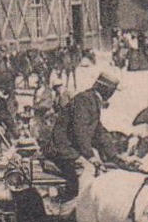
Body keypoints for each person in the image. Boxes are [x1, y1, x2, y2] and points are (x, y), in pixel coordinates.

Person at [43, 70, 123, 200]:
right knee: (87, 169)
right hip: (62, 148)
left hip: (71, 147)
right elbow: (80, 130)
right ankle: (79, 204)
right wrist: (90, 156)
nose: (112, 94)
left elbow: (99, 132)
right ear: (106, 90)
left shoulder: (92, 100)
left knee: (102, 167)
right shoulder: (85, 100)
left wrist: (115, 156)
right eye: (112, 90)